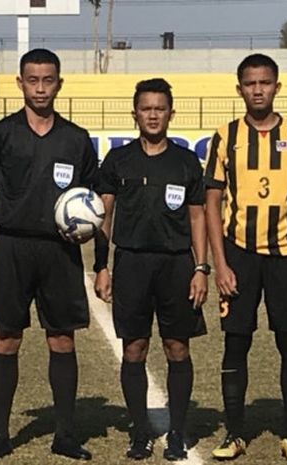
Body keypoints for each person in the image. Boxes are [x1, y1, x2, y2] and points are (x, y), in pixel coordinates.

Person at [0, 48, 97, 462]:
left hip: (60, 251)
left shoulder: (76, 139)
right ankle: (0, 434)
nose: (40, 87)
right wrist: (13, 213)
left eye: (48, 80)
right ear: (20, 83)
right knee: (7, 337)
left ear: (59, 83)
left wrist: (80, 229)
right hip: (12, 246)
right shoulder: (1, 133)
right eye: (33, 79)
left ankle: (64, 434)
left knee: (61, 338)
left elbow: (90, 198)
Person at [203, 53, 287, 461]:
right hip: (239, 255)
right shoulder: (224, 137)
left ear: (277, 86)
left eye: (265, 83)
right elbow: (213, 202)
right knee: (236, 342)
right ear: (240, 89)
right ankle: (235, 433)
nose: (258, 90)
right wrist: (220, 264)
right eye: (250, 83)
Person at [93, 78, 208, 461]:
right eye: (146, 108)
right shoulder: (118, 161)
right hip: (131, 264)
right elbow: (103, 216)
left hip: (177, 265)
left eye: (160, 108)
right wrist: (101, 266)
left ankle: (176, 431)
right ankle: (140, 431)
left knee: (177, 347)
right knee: (134, 349)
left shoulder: (186, 162)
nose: (153, 114)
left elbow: (198, 219)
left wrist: (201, 268)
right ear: (135, 113)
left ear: (171, 113)